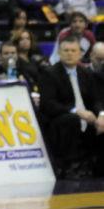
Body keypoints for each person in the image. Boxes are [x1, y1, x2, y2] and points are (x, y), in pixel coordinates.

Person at [39, 36, 104, 179]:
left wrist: (101, 115)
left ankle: (98, 168)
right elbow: (48, 104)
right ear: (59, 53)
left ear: (80, 53)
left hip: (87, 117)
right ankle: (71, 168)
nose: (69, 53)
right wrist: (77, 112)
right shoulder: (49, 73)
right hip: (60, 118)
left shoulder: (87, 73)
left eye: (73, 50)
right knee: (72, 120)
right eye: (66, 50)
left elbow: (97, 100)